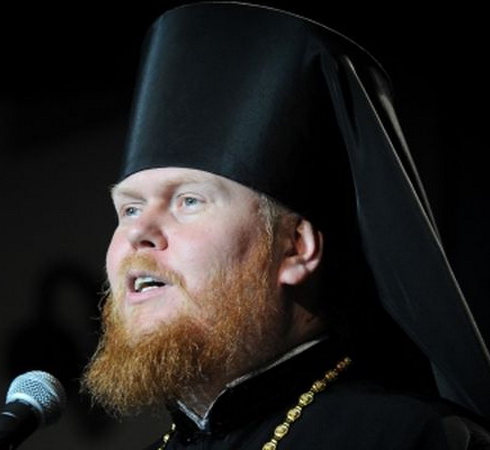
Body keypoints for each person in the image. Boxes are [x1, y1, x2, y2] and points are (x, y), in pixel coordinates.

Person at [81, 2, 490, 448]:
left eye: (188, 201)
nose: (139, 233)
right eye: (130, 209)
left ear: (295, 248)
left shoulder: (409, 437)